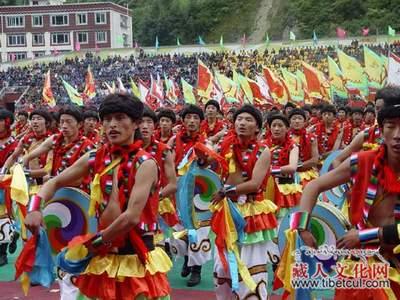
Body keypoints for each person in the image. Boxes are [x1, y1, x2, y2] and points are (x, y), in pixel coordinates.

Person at [24, 93, 172, 300]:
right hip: (101, 257)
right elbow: (54, 182)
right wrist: (34, 208)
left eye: (120, 118)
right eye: (108, 119)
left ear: (136, 123)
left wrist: (96, 242)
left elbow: (131, 217)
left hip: (133, 260)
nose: (112, 125)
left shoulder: (145, 163)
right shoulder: (95, 157)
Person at [295, 88, 400, 298]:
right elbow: (312, 187)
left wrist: (363, 235)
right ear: (381, 129)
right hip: (362, 262)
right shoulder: (361, 161)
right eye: (391, 127)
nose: (398, 135)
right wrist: (302, 227)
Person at [212, 104, 278, 299]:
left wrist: (226, 190)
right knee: (222, 267)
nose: (242, 123)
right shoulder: (224, 146)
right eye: (239, 119)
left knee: (252, 268)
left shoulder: (263, 151)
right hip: (226, 211)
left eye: (248, 120)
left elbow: (255, 184)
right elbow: (211, 169)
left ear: (257, 128)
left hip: (252, 213)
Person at [168, 104, 210, 287]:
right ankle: (186, 258)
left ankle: (196, 270)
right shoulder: (174, 140)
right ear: (183, 121)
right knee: (179, 229)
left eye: (195, 118)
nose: (192, 121)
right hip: (178, 192)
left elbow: (211, 167)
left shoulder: (207, 143)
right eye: (188, 117)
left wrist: (204, 158)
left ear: (201, 122)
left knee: (199, 231)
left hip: (199, 194)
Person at [22, 105, 94, 189]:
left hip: (77, 194)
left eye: (69, 122)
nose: (64, 126)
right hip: (54, 189)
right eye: (62, 122)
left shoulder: (88, 146)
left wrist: (49, 180)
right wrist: (22, 170)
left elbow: (77, 180)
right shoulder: (55, 139)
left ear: (79, 124)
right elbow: (29, 157)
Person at [139, 106, 178, 252]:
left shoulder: (163, 150)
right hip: (130, 211)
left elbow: (173, 184)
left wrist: (156, 196)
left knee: (155, 251)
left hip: (157, 205)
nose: (144, 126)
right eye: (141, 122)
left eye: (149, 122)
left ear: (154, 125)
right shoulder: (125, 149)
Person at [332, 87, 396, 168]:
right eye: (377, 108)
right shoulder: (366, 134)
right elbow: (337, 160)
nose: (380, 112)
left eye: (384, 108)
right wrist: (350, 180)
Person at [3, 109, 52, 193]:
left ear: (46, 123)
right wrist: (3, 171)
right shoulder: (27, 139)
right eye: (33, 119)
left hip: (47, 180)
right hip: (30, 179)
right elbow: (13, 156)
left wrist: (24, 173)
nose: (35, 121)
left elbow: (47, 170)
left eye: (39, 119)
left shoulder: (52, 140)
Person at [265, 113, 300, 219]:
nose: (276, 129)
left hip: (285, 189)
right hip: (266, 188)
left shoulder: (293, 146)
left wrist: (269, 170)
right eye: (273, 126)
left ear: (287, 128)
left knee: (284, 222)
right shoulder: (263, 145)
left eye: (280, 126)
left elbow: (292, 168)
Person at [0, 109, 18, 266]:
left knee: (3, 217)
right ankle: (14, 233)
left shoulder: (14, 143)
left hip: (5, 185)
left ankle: (2, 252)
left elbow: (16, 166)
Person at [288, 108, 319, 186]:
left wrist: (296, 167)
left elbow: (314, 160)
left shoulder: (312, 138)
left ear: (305, 122)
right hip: (287, 174)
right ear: (290, 122)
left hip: (307, 173)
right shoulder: (285, 137)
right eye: (294, 118)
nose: (297, 121)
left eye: (300, 118)